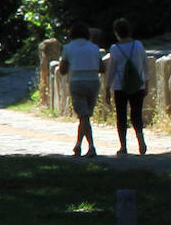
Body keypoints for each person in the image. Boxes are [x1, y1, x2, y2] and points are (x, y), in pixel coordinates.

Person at [57, 22, 103, 158]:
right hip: (93, 82)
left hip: (77, 81)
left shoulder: (68, 48)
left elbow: (63, 70)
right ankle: (79, 145)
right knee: (85, 116)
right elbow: (102, 68)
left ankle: (89, 147)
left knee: (83, 116)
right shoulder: (94, 48)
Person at [106, 17, 149, 156]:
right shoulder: (138, 45)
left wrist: (107, 88)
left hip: (120, 86)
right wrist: (146, 83)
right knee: (136, 114)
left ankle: (123, 146)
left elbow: (111, 70)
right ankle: (140, 139)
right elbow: (146, 66)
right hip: (138, 84)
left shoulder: (115, 48)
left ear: (116, 32)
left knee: (121, 115)